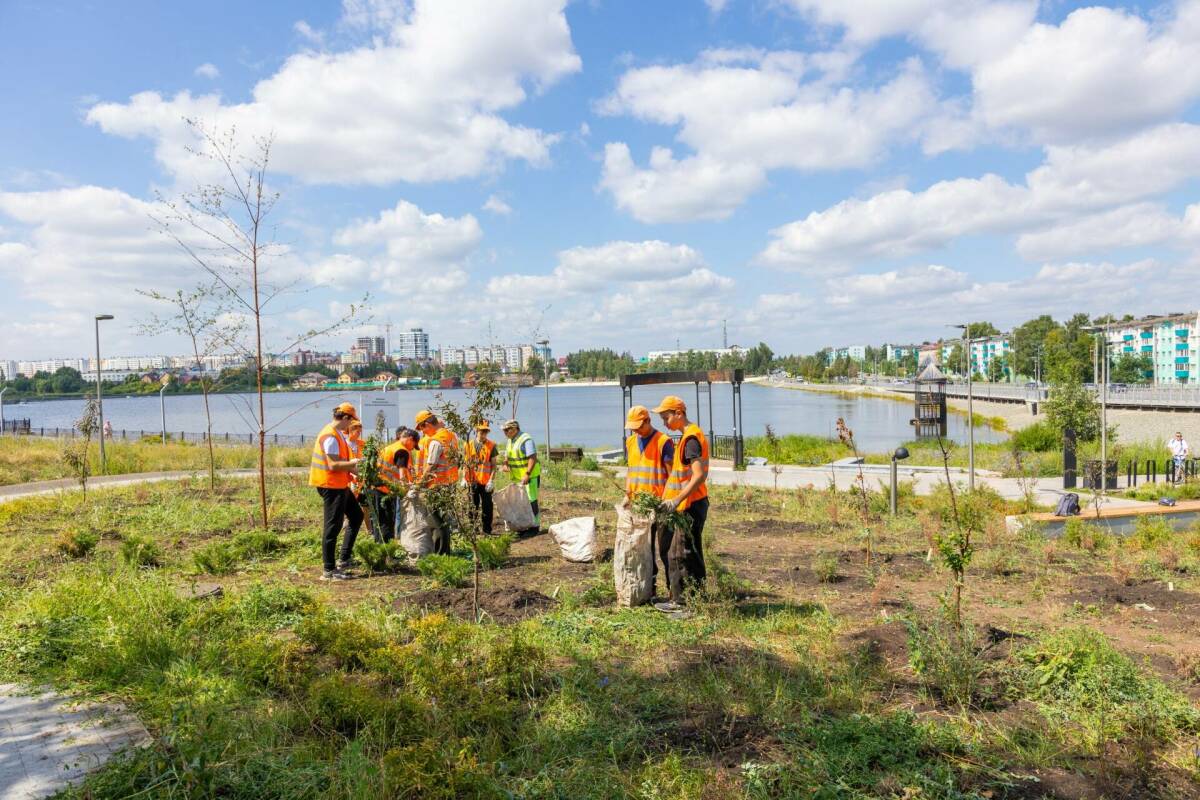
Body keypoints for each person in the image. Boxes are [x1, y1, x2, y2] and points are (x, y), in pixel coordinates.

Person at [653, 395, 709, 610]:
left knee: (682, 554)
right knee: (685, 553)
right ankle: (687, 600)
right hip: (689, 504)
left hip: (691, 505)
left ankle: (685, 604)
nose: (665, 423)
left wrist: (676, 500)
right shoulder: (687, 436)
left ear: (679, 413)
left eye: (666, 418)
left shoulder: (691, 440)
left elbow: (698, 475)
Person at [308, 402, 363, 581]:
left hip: (340, 485)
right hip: (330, 486)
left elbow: (342, 463)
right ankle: (329, 570)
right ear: (345, 417)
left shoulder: (337, 433)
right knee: (333, 527)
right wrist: (356, 463)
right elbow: (333, 465)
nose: (352, 425)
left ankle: (344, 559)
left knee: (356, 516)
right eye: (351, 421)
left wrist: (358, 473)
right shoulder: (330, 436)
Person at [624, 405, 674, 596]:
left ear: (647, 421)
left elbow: (672, 475)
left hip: (660, 505)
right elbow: (630, 470)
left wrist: (668, 501)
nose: (635, 430)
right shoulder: (631, 442)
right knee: (644, 550)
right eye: (632, 427)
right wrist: (628, 495)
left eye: (639, 425)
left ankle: (673, 590)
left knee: (666, 550)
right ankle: (648, 588)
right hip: (639, 506)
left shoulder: (663, 442)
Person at [414, 409, 460, 554]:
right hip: (450, 483)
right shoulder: (451, 436)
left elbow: (431, 465)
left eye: (422, 427)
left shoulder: (436, 441)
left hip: (437, 486)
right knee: (445, 520)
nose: (422, 431)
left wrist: (419, 485)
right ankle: (446, 551)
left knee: (436, 522)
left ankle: (441, 555)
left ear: (427, 424)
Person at [502, 419, 541, 531]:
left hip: (530, 476)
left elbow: (532, 458)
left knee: (531, 500)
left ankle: (534, 526)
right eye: (504, 430)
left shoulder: (526, 439)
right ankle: (524, 525)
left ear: (515, 429)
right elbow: (507, 457)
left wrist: (527, 474)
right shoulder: (510, 440)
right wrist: (505, 464)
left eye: (507, 430)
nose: (505, 432)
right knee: (520, 501)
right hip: (518, 478)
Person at [464, 422, 498, 534]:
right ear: (476, 430)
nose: (483, 434)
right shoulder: (468, 445)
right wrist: (464, 478)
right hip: (472, 481)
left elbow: (494, 466)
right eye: (481, 431)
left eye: (486, 431)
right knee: (472, 506)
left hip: (485, 482)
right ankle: (473, 530)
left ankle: (487, 530)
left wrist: (491, 481)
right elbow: (466, 463)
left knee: (487, 507)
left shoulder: (491, 445)